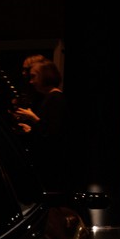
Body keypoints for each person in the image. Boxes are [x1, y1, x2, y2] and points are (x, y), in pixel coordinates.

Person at [14, 58, 70, 192]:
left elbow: (53, 134)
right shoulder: (49, 97)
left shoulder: (55, 98)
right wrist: (30, 130)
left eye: (34, 76)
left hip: (52, 165)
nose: (31, 81)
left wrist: (32, 118)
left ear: (46, 76)